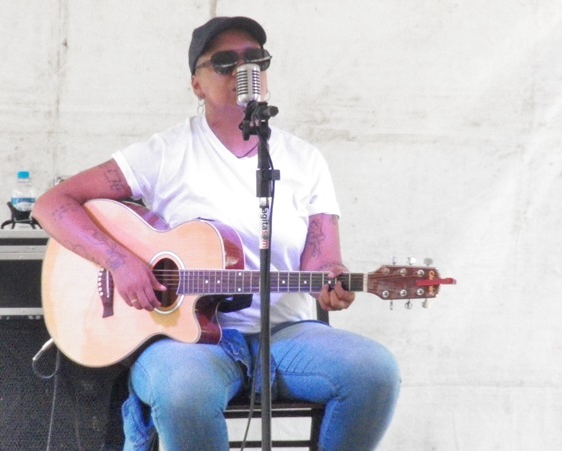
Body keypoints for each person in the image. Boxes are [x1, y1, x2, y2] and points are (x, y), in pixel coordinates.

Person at [33, 16, 400, 451]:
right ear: (197, 84)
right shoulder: (164, 153)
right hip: (186, 341)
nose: (243, 69)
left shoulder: (305, 160)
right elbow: (52, 204)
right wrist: (120, 262)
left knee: (374, 372)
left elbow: (323, 262)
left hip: (288, 335)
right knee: (183, 390)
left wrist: (332, 282)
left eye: (255, 59)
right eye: (225, 62)